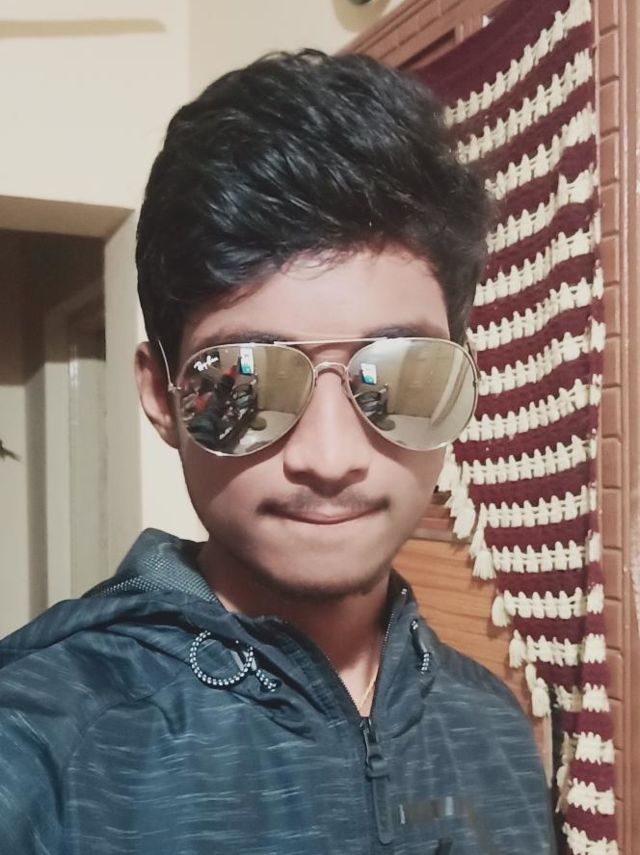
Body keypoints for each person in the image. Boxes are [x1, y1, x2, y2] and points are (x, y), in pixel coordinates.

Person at [0, 50, 556, 854]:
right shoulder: (41, 741)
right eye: (244, 381)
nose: (329, 457)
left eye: (401, 372)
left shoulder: (494, 726)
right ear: (160, 396)